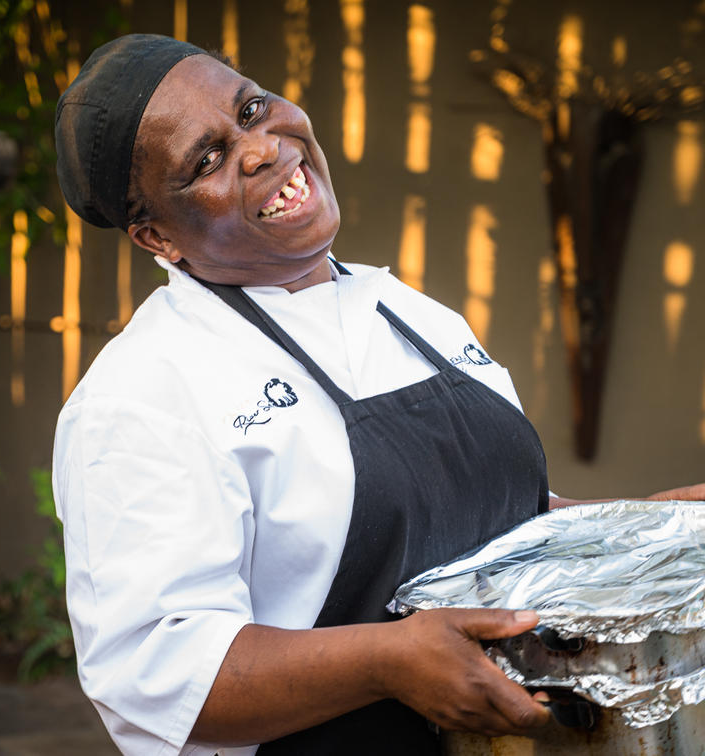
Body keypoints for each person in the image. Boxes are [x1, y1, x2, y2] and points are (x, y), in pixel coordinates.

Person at [50, 34, 705, 755]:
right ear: (156, 238)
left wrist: (650, 525)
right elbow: (157, 673)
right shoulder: (145, 393)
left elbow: (488, 519)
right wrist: (387, 661)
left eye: (252, 109)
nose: (261, 149)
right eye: (206, 159)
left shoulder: (411, 315)